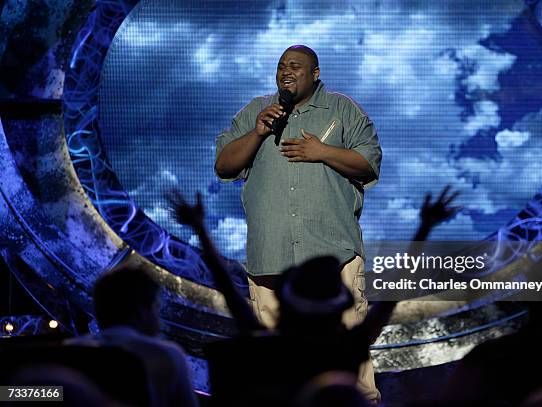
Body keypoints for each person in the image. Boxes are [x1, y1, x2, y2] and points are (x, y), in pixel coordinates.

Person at [167, 187, 459, 406]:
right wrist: (425, 227)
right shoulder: (349, 347)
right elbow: (393, 293)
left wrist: (200, 228)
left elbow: (229, 291)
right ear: (338, 308)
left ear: (286, 305)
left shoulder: (262, 347)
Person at [214, 44, 383, 402]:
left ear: (315, 73)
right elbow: (224, 165)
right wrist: (258, 132)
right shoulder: (256, 111)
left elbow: (368, 163)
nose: (285, 72)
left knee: (352, 379)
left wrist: (322, 152)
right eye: (280, 67)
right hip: (270, 264)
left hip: (333, 260)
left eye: (295, 66)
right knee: (273, 380)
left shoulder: (342, 110)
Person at [66, 265, 198, 407]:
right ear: (141, 312)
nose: (158, 318)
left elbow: (43, 395)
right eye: (156, 308)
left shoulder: (67, 351)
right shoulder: (168, 355)